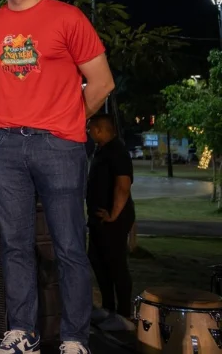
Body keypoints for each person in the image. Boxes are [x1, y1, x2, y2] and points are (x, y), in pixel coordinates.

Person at [0, 0, 115, 354]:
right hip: (6, 145)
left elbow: (102, 82)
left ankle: (75, 337)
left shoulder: (67, 18)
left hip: (60, 146)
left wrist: (68, 119)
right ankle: (23, 332)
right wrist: (19, 117)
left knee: (69, 244)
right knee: (13, 244)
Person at [86, 114, 135, 332]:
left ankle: (124, 315)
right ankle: (108, 308)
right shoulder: (102, 150)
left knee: (116, 265)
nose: (88, 133)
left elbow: (123, 186)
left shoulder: (118, 151)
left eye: (90, 130)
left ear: (99, 130)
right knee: (98, 261)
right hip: (99, 219)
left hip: (113, 220)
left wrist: (114, 215)